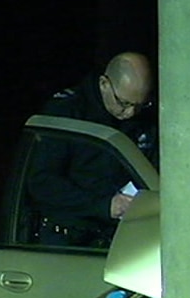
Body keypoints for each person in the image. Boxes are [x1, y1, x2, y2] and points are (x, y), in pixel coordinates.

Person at [26, 51, 157, 246]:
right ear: (104, 84)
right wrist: (105, 205)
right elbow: (41, 182)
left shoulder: (144, 118)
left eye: (139, 105)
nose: (130, 113)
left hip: (122, 234)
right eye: (124, 103)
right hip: (66, 237)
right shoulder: (66, 112)